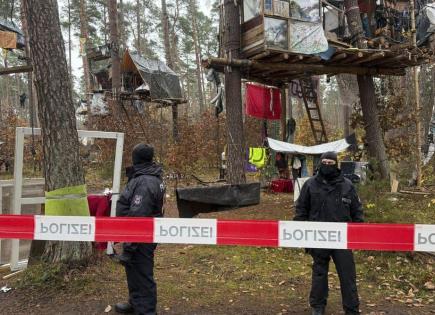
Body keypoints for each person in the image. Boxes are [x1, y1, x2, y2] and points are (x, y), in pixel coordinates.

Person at [294, 151, 363, 315]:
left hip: (343, 239)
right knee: (319, 274)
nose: (327, 166)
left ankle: (351, 308)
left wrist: (359, 235)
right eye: (324, 162)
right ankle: (317, 306)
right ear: (320, 164)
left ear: (336, 165)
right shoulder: (310, 185)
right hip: (318, 238)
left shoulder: (347, 185)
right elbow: (301, 210)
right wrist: (301, 234)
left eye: (331, 163)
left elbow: (357, 212)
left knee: (348, 275)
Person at [115, 143, 165, 315]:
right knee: (134, 270)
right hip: (138, 236)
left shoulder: (145, 181)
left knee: (142, 274)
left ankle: (146, 311)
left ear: (137, 158)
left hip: (141, 237)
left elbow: (138, 217)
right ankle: (136, 303)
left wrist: (129, 247)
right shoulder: (145, 176)